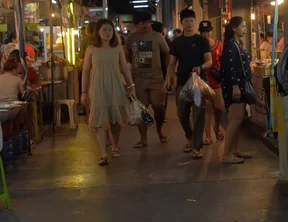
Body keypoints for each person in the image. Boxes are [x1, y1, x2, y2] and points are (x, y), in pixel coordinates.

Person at [81, 19, 136, 166]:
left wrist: (131, 86)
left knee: (116, 120)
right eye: (104, 30)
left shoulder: (117, 48)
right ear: (98, 32)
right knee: (99, 121)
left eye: (110, 30)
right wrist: (83, 92)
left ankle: (115, 145)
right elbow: (85, 71)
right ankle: (103, 154)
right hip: (97, 87)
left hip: (116, 86)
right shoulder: (91, 49)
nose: (107, 32)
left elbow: (124, 69)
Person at [164, 9, 212, 159]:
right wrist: (168, 79)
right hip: (183, 83)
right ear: (182, 23)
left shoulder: (202, 41)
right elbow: (172, 64)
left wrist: (201, 67)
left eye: (192, 20)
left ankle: (197, 147)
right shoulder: (177, 42)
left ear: (195, 21)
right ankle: (190, 137)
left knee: (198, 115)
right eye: (186, 21)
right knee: (181, 113)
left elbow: (209, 61)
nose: (189, 23)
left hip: (199, 83)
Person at [125, 12, 171, 147]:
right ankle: (143, 139)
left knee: (159, 107)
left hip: (157, 78)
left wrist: (169, 73)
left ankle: (159, 130)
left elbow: (167, 54)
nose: (147, 25)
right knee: (141, 110)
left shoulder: (157, 37)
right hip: (138, 79)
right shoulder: (131, 39)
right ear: (136, 25)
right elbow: (128, 56)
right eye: (143, 23)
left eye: (148, 22)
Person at [220, 16, 253, 164]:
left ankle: (234, 150)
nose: (245, 29)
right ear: (234, 28)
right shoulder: (230, 45)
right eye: (243, 26)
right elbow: (229, 67)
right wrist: (234, 85)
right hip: (235, 87)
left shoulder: (236, 44)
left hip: (239, 86)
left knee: (238, 120)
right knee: (235, 119)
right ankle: (226, 154)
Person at [199, 20, 225, 144]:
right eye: (204, 32)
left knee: (219, 107)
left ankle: (217, 126)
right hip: (203, 79)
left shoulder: (219, 44)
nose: (206, 34)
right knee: (206, 108)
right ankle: (208, 136)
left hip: (216, 79)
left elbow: (223, 60)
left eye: (208, 31)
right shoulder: (197, 44)